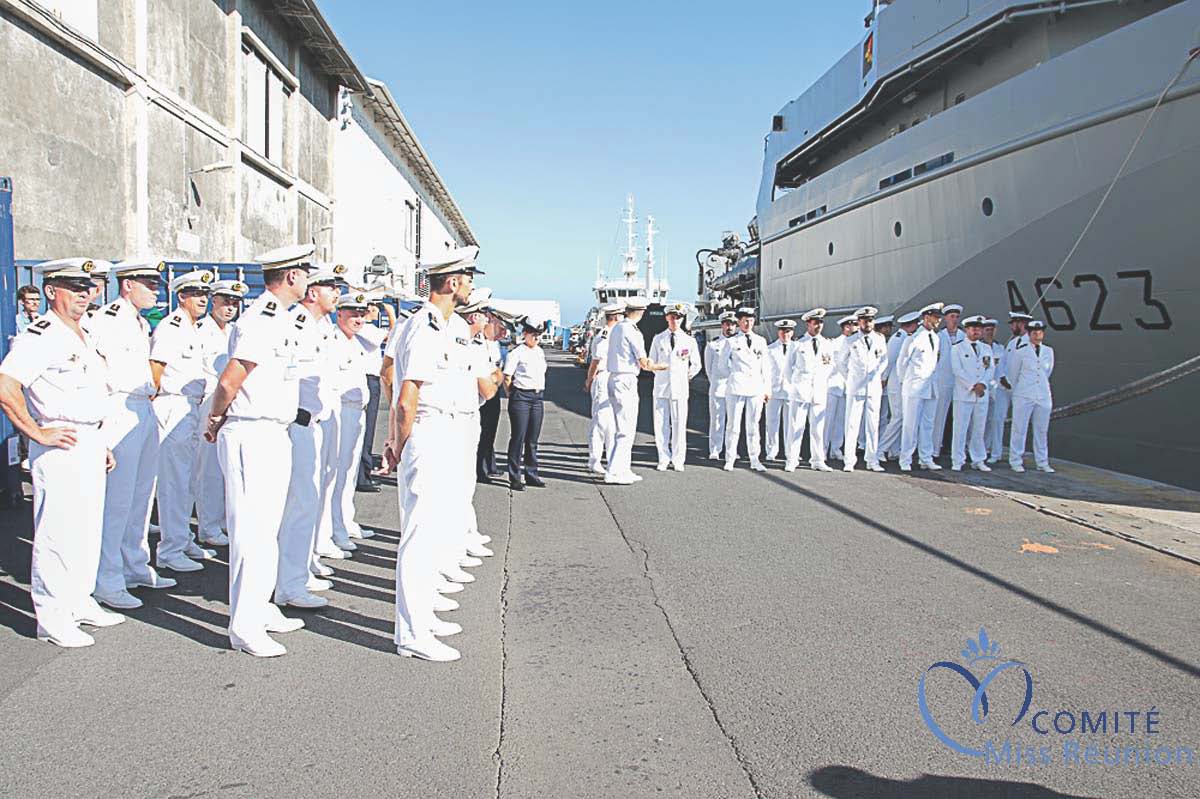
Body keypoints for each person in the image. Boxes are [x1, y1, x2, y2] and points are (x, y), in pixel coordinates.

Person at [204, 243, 317, 657]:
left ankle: (261, 606)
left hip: (273, 432)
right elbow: (230, 380)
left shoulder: (280, 318)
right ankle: (245, 627)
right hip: (250, 432)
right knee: (251, 533)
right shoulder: (261, 319)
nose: (308, 279)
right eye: (305, 272)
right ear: (291, 276)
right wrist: (215, 419)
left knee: (267, 530)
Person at [0, 259, 118, 647]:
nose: (84, 295)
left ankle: (79, 600)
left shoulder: (84, 333)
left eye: (88, 288)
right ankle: (51, 616)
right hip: (61, 441)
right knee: (57, 532)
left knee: (87, 530)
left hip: (89, 440)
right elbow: (6, 386)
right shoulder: (42, 335)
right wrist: (35, 431)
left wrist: (102, 443)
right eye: (74, 287)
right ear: (51, 291)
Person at [385, 246, 479, 662]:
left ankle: (423, 615)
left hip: (446, 428)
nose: (471, 285)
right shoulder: (422, 328)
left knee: (437, 527)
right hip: (427, 430)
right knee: (421, 535)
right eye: (469, 277)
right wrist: (399, 444)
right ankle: (411, 634)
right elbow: (406, 397)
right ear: (453, 282)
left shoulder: (447, 326)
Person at [88, 258, 175, 610]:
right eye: (149, 284)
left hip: (142, 405)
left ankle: (134, 565)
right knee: (117, 501)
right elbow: (96, 370)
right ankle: (107, 578)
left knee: (141, 497)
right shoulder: (107, 319)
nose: (155, 291)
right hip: (118, 408)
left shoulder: (138, 322)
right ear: (127, 285)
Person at [277, 264, 346, 615]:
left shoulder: (324, 328)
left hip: (318, 422)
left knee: (310, 500)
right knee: (299, 504)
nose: (337, 293)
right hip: (298, 424)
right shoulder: (296, 324)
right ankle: (289, 583)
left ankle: (299, 569)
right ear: (312, 292)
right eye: (330, 287)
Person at [150, 270, 216, 573]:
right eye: (195, 294)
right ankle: (170, 549)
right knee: (173, 482)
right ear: (181, 297)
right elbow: (156, 368)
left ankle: (183, 537)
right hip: (173, 404)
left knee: (187, 478)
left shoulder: (193, 328)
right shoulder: (172, 326)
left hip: (190, 406)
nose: (203, 299)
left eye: (205, 295)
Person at [192, 279, 246, 547]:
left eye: (234, 303)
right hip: (209, 402)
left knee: (227, 468)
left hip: (232, 403)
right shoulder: (201, 331)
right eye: (225, 301)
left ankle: (223, 519)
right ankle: (208, 525)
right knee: (208, 469)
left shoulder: (235, 331)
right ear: (214, 301)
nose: (230, 307)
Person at [330, 293, 379, 560]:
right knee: (335, 474)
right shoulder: (333, 342)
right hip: (340, 412)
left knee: (348, 473)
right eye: (352, 314)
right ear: (339, 314)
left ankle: (345, 521)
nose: (358, 319)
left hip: (356, 412)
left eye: (361, 314)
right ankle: (332, 528)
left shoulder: (356, 342)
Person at [605, 296, 666, 484]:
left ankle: (624, 469)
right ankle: (614, 472)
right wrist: (663, 366)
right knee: (626, 429)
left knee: (623, 428)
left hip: (615, 378)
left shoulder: (617, 328)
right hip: (626, 380)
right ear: (641, 312)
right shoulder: (633, 332)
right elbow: (644, 362)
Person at [459, 289, 500, 561]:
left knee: (464, 484)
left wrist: (493, 380)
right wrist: (494, 382)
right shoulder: (465, 343)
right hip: (455, 417)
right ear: (474, 315)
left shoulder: (475, 344)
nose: (487, 320)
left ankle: (466, 533)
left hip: (468, 414)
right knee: (456, 486)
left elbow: (494, 374)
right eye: (484, 315)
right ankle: (458, 541)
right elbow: (489, 387)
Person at [649, 304, 701, 471]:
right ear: (666, 318)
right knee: (660, 424)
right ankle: (663, 457)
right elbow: (651, 362)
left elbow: (696, 365)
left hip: (680, 388)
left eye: (678, 317)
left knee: (679, 424)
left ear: (682, 319)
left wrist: (685, 377)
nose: (674, 320)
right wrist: (659, 372)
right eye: (672, 316)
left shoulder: (689, 341)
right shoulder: (658, 339)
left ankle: (678, 459)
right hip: (661, 387)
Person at [784, 308, 836, 472]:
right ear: (808, 324)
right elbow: (787, 369)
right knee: (796, 427)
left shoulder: (827, 344)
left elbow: (830, 366)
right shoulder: (798, 344)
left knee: (818, 429)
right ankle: (792, 460)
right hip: (801, 391)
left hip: (819, 391)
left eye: (820, 322)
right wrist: (794, 387)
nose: (818, 326)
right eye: (815, 322)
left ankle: (818, 459)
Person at [839, 306, 888, 472]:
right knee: (852, 424)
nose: (867, 323)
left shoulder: (880, 339)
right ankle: (849, 460)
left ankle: (872, 459)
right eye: (864, 320)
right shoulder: (850, 340)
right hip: (855, 387)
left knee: (873, 425)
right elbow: (841, 363)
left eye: (870, 320)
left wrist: (876, 377)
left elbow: (884, 361)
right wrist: (851, 378)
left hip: (873, 388)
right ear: (859, 322)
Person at [722, 306, 770, 472]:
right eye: (744, 320)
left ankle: (754, 459)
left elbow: (766, 368)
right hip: (736, 387)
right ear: (739, 322)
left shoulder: (760, 341)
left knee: (753, 426)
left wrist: (766, 390)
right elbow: (723, 366)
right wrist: (736, 375)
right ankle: (730, 458)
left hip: (756, 388)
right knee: (733, 426)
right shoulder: (731, 341)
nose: (748, 323)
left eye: (750, 320)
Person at [898, 302, 943, 472]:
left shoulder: (936, 338)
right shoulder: (914, 338)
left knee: (928, 424)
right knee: (910, 425)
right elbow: (901, 364)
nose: (937, 321)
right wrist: (907, 383)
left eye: (939, 318)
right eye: (935, 318)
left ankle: (926, 457)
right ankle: (906, 459)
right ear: (925, 317)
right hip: (914, 388)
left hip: (930, 387)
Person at [504, 317, 549, 491]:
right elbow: (507, 377)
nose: (536, 338)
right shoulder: (517, 353)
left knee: (532, 439)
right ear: (525, 334)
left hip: (537, 397)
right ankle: (514, 476)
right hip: (521, 396)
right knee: (518, 437)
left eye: (538, 335)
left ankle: (532, 474)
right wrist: (512, 395)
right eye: (533, 334)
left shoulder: (539, 352)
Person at [1007, 320, 1055, 473]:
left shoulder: (1048, 351)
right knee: (1019, 429)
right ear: (1028, 333)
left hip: (1042, 394)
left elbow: (1047, 372)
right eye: (1034, 332)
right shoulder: (1020, 351)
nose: (1037, 334)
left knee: (1041, 430)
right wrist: (1019, 391)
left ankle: (1042, 462)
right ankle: (1015, 460)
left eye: (1039, 332)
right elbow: (1013, 374)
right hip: (1023, 394)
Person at [355, 300, 393, 493]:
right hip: (367, 380)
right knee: (366, 431)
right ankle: (363, 475)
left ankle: (363, 473)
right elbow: (393, 338)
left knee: (366, 430)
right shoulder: (366, 328)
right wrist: (392, 313)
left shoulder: (368, 328)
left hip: (371, 380)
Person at [950, 315, 995, 471]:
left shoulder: (986, 349)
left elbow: (990, 369)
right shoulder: (957, 348)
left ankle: (978, 459)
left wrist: (983, 384)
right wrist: (973, 385)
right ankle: (957, 460)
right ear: (967, 330)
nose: (976, 331)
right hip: (964, 394)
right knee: (960, 428)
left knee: (979, 428)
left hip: (981, 395)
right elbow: (957, 370)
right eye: (973, 328)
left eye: (979, 329)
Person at [989, 311, 1032, 463]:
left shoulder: (1030, 344)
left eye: (1015, 323)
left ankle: (1016, 455)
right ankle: (996, 453)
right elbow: (1002, 363)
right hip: (1004, 387)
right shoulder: (1012, 343)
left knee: (1019, 423)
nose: (1013, 326)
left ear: (1022, 324)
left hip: (1020, 388)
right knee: (997, 419)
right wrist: (1002, 378)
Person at [585, 303, 622, 474]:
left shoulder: (615, 334)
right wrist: (589, 380)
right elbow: (596, 361)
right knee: (600, 420)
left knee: (612, 422)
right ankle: (595, 460)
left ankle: (611, 459)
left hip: (613, 376)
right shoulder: (605, 335)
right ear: (616, 316)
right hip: (603, 376)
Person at [878, 311, 919, 460]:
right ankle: (880, 448)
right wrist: (883, 379)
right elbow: (888, 362)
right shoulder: (898, 339)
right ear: (910, 325)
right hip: (895, 384)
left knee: (900, 418)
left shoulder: (906, 337)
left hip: (901, 383)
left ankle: (894, 449)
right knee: (898, 417)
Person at [476, 311, 505, 480]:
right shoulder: (477, 341)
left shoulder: (493, 344)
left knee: (491, 430)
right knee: (481, 430)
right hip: (481, 390)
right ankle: (480, 468)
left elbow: (497, 369)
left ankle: (489, 463)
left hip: (494, 387)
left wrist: (496, 378)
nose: (502, 333)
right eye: (498, 327)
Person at [933, 303, 964, 458]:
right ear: (945, 318)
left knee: (960, 417)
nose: (955, 320)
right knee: (939, 416)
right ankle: (935, 448)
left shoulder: (964, 337)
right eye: (952, 317)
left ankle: (957, 450)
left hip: (960, 382)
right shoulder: (939, 337)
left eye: (957, 317)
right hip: (943, 380)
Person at [704, 311, 736, 460]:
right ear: (722, 325)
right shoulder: (713, 344)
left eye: (733, 324)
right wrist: (715, 383)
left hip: (736, 388)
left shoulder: (740, 343)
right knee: (717, 419)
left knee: (734, 422)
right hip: (718, 387)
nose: (730, 327)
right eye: (727, 324)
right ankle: (715, 449)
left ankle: (732, 449)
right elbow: (709, 369)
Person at [824, 315, 856, 463]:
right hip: (833, 384)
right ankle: (822, 449)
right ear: (845, 327)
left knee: (841, 420)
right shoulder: (835, 344)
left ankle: (836, 449)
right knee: (828, 420)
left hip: (847, 386)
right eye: (850, 325)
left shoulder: (856, 343)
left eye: (855, 325)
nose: (853, 328)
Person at [764, 319, 796, 461]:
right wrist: (765, 390)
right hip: (774, 390)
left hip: (791, 391)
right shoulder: (770, 349)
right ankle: (772, 450)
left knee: (791, 424)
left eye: (788, 331)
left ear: (792, 332)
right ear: (778, 332)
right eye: (783, 331)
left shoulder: (798, 348)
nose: (785, 334)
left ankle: (791, 452)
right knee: (771, 423)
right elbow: (765, 372)